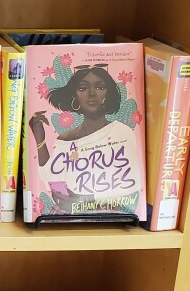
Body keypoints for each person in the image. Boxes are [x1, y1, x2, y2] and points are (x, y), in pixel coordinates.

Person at [29, 65, 143, 215]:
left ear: (108, 93)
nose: (91, 94)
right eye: (82, 88)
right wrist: (40, 139)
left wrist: (85, 202)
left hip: (108, 216)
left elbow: (131, 189)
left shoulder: (122, 133)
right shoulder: (65, 139)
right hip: (64, 217)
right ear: (74, 96)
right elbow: (51, 180)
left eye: (100, 87)